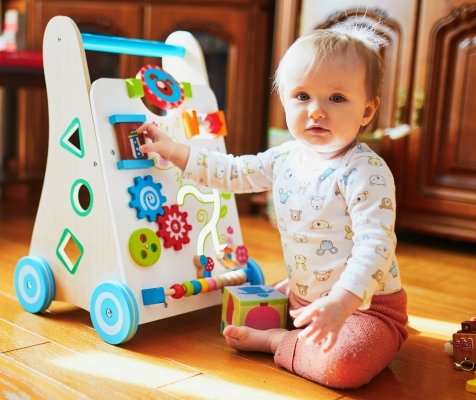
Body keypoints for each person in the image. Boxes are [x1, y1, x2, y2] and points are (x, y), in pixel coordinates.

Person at [136, 19, 408, 389]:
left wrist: (342, 303)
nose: (316, 111)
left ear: (367, 111)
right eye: (302, 96)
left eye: (337, 98)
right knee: (242, 307)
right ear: (283, 101)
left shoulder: (366, 171)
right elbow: (229, 172)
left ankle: (279, 342)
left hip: (364, 308)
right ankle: (293, 327)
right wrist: (173, 150)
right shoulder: (284, 158)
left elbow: (376, 245)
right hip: (303, 297)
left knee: (345, 365)